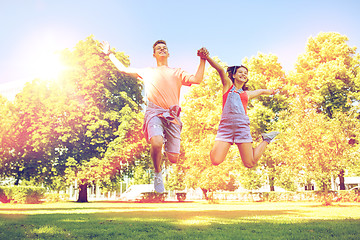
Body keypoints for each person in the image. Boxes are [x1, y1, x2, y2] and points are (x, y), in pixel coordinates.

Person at [101, 40, 206, 193]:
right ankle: (157, 174)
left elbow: (197, 79)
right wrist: (109, 54)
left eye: (164, 48)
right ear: (154, 54)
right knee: (157, 142)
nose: (162, 50)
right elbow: (123, 69)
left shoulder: (177, 72)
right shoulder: (147, 71)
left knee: (173, 158)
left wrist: (202, 59)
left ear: (168, 53)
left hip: (172, 115)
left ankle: (166, 153)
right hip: (154, 112)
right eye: (158, 48)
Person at [197, 48, 279, 168]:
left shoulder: (247, 94)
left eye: (245, 73)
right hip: (226, 128)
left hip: (242, 128)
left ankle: (266, 139)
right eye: (240, 72)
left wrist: (272, 91)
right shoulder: (228, 86)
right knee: (215, 160)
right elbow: (220, 69)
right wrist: (206, 57)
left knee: (249, 163)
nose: (243, 74)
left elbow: (261, 91)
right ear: (234, 75)